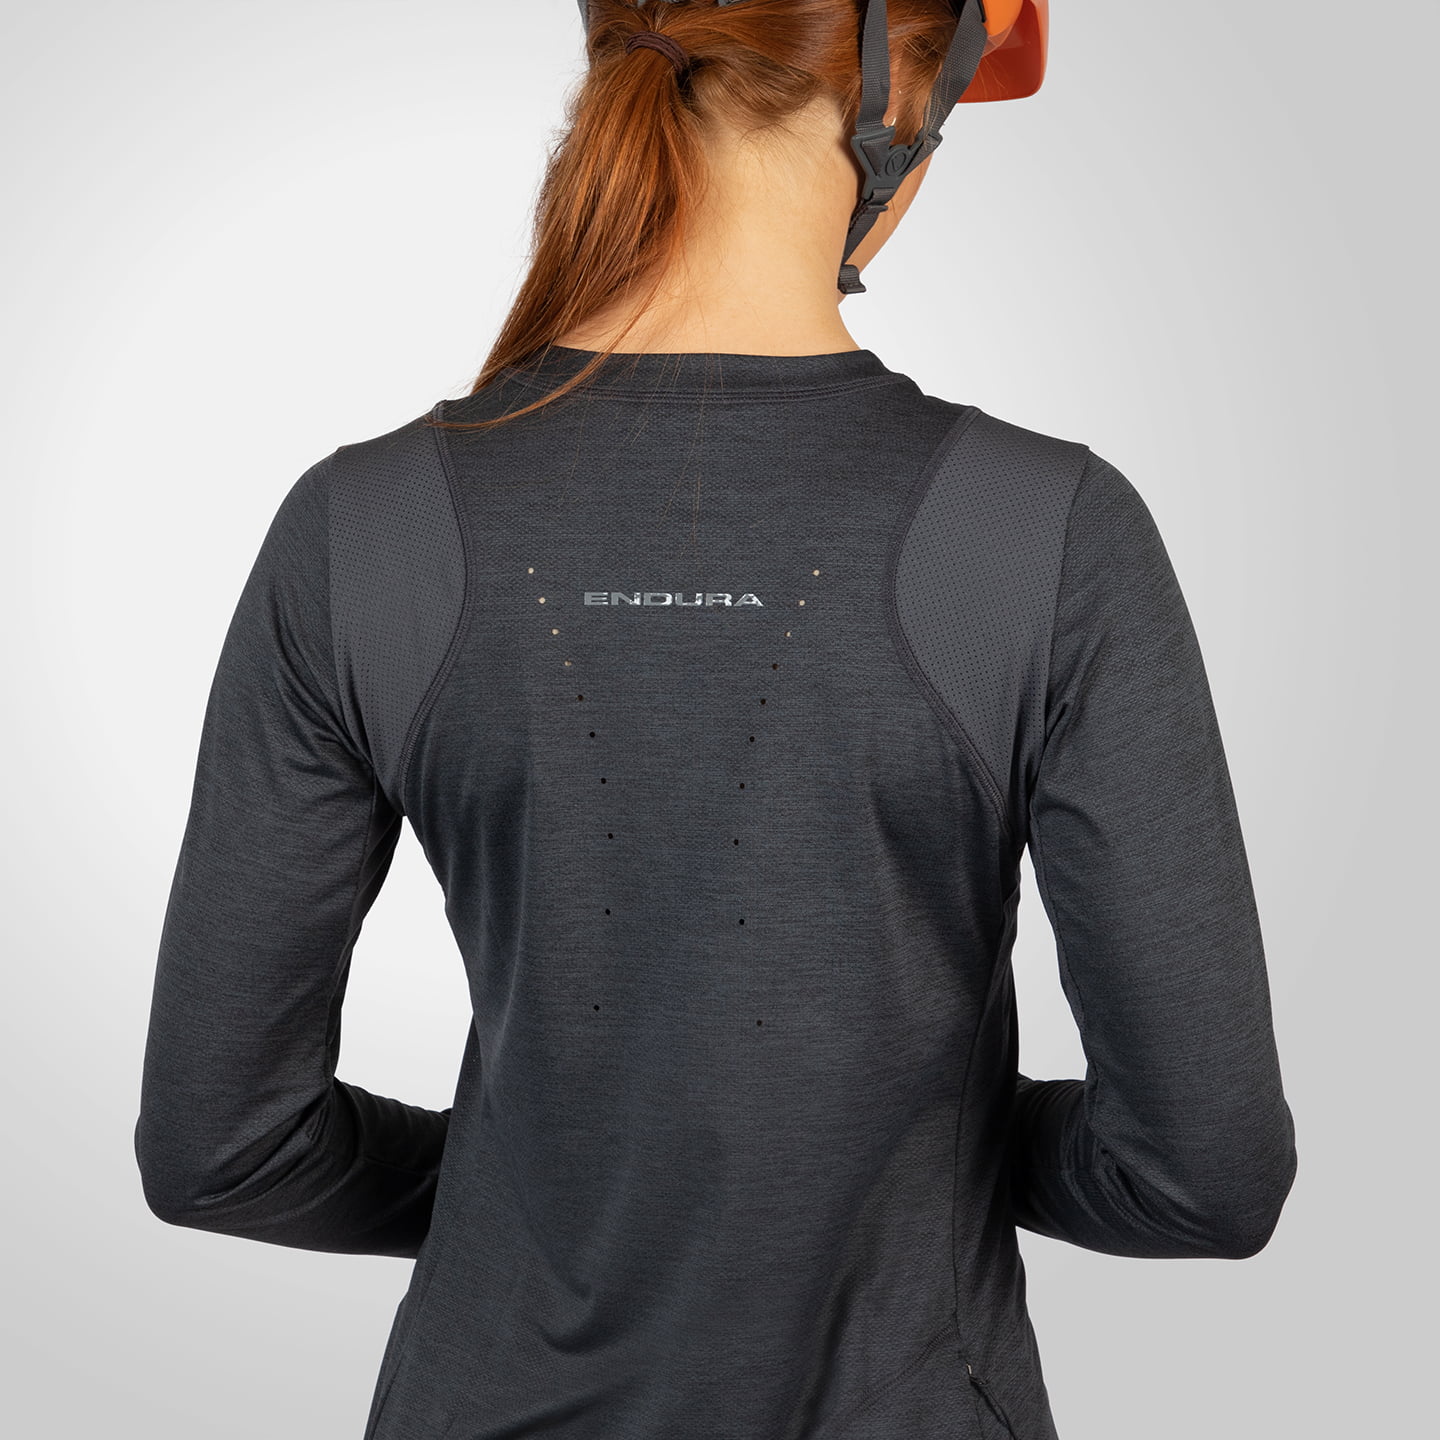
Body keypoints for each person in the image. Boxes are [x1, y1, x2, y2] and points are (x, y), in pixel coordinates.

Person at [132, 4, 1298, 1438]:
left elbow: (221, 1149)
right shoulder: (1037, 533)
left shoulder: (367, 530)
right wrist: (918, 1161)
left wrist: (544, 1183)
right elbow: (1205, 1176)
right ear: (896, 109)